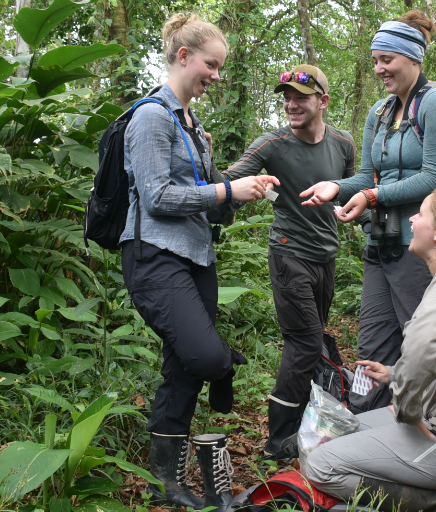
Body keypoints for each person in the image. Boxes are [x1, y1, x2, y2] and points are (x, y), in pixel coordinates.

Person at [119, 13, 279, 510]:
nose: (215, 75)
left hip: (196, 255)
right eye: (211, 64)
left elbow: (212, 199)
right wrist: (226, 188)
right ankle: (224, 366)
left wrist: (243, 192)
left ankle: (163, 480)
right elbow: (157, 196)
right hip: (153, 256)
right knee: (207, 358)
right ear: (183, 56)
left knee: (182, 367)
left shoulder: (193, 125)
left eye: (220, 67)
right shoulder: (150, 117)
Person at [302, 185, 436, 512]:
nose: (412, 220)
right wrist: (394, 374)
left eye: (421, 214)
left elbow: (424, 344)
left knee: (320, 465)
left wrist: (407, 403)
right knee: (337, 435)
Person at [300, 11, 436, 412]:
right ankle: (364, 427)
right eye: (375, 60)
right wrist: (338, 188)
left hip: (427, 246)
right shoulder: (379, 112)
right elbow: (365, 176)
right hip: (382, 244)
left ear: (413, 57)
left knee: (423, 340)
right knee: (371, 344)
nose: (379, 68)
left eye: (386, 60)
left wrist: (374, 197)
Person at [222, 64, 356, 461]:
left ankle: (307, 428)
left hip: (326, 256)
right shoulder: (272, 144)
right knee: (305, 342)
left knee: (309, 342)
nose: (291, 104)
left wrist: (360, 212)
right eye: (287, 97)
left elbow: (353, 188)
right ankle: (279, 441)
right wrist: (235, 181)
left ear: (323, 101)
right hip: (288, 253)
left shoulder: (343, 143)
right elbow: (228, 181)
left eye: (301, 97)